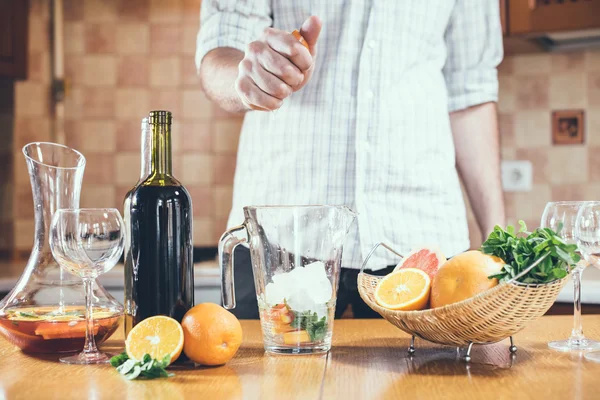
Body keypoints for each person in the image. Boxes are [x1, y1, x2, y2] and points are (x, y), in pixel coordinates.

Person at [196, 1, 505, 319]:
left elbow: (471, 93)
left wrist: (499, 247)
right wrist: (249, 79)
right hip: (280, 240)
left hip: (419, 241)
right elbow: (220, 51)